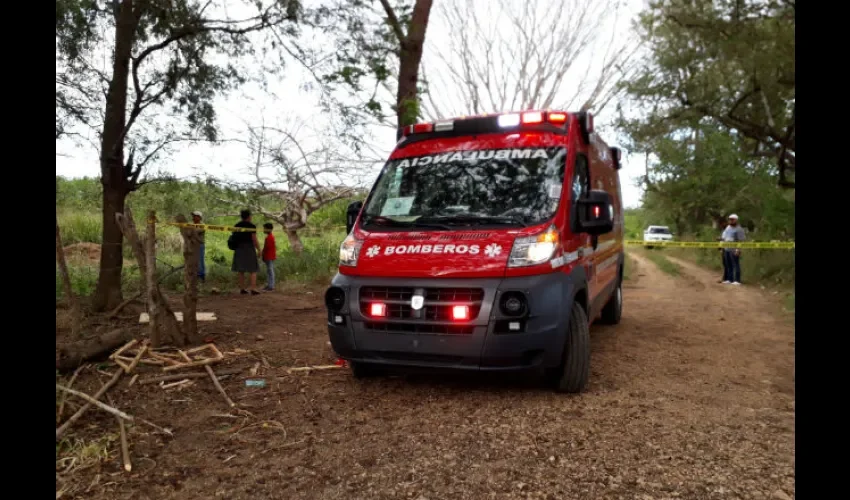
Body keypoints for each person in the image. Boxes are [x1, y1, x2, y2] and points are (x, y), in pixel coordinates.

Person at [231, 209, 261, 295]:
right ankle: (253, 289)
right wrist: (259, 249)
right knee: (253, 269)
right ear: (249, 216)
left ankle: (242, 289)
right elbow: (254, 239)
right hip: (249, 247)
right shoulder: (251, 226)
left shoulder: (237, 225)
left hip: (239, 248)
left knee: (241, 270)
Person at [720, 214, 746, 285]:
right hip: (727, 249)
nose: (731, 221)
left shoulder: (739, 229)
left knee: (736, 265)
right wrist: (722, 246)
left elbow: (741, 240)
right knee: (728, 265)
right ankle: (729, 279)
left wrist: (738, 249)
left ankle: (737, 280)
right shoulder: (728, 227)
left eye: (732, 219)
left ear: (736, 220)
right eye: (730, 219)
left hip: (734, 249)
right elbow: (725, 237)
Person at [261, 222, 277, 291]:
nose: (263, 230)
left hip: (269, 257)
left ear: (268, 229)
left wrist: (263, 254)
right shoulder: (270, 237)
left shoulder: (269, 238)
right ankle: (269, 285)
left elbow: (267, 248)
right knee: (269, 271)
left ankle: (271, 286)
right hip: (269, 256)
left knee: (270, 271)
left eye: (264, 228)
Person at [192, 211, 206, 283]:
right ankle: (195, 275)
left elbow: (194, 232)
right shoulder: (191, 225)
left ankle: (201, 276)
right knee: (193, 261)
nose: (193, 217)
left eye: (195, 216)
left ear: (199, 217)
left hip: (199, 245)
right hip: (193, 245)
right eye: (193, 216)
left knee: (200, 261)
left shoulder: (202, 225)